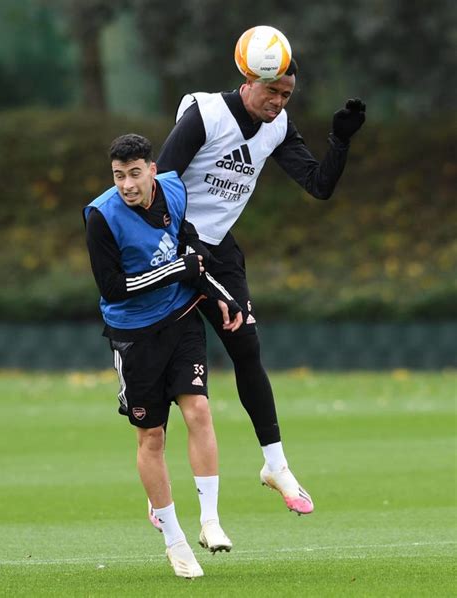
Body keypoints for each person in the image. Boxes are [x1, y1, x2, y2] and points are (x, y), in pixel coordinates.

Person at [156, 56, 366, 515]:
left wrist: (341, 141)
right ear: (247, 80)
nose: (278, 102)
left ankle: (276, 465)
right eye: (271, 91)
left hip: (220, 251)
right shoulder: (204, 114)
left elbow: (319, 185)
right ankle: (161, 492)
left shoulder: (278, 126)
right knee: (166, 369)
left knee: (246, 347)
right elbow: (161, 184)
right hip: (174, 246)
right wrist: (186, 245)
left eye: (286, 94)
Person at [84, 133, 243, 578]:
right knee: (151, 438)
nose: (127, 185)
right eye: (119, 176)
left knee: (199, 410)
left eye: (135, 173)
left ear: (152, 169)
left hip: (181, 320)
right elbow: (112, 288)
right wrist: (175, 270)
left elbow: (187, 245)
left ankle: (209, 521)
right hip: (134, 335)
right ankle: (174, 540)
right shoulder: (101, 216)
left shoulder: (174, 188)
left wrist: (220, 294)